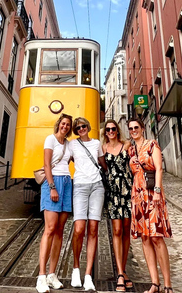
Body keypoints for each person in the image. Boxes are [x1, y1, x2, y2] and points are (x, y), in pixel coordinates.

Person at [128, 117, 173, 293]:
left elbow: (159, 169)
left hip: (152, 195)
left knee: (156, 237)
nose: (133, 130)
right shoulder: (131, 149)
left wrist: (157, 191)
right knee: (145, 238)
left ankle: (167, 284)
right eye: (130, 128)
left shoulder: (152, 144)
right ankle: (155, 283)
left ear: (142, 128)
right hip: (137, 197)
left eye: (136, 127)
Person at [69, 116, 107, 292]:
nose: (81, 129)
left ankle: (88, 275)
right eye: (78, 128)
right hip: (80, 187)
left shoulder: (96, 143)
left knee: (93, 229)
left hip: (97, 186)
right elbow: (64, 159)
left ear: (88, 127)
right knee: (79, 229)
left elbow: (103, 164)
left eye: (83, 126)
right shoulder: (72, 144)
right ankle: (76, 268)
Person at [37, 114, 73, 293]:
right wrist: (52, 187)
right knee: (50, 229)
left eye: (68, 125)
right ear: (59, 124)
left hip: (67, 182)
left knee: (60, 230)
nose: (65, 126)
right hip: (53, 182)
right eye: (63, 123)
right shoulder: (50, 139)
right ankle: (41, 276)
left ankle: (52, 274)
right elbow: (46, 165)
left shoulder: (69, 144)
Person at [102, 119, 134, 293]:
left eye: (113, 129)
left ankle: (123, 269)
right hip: (113, 194)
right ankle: (120, 274)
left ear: (117, 130)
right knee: (116, 230)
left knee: (126, 229)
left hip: (128, 192)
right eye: (108, 130)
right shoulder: (103, 148)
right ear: (105, 132)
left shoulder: (126, 145)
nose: (111, 132)